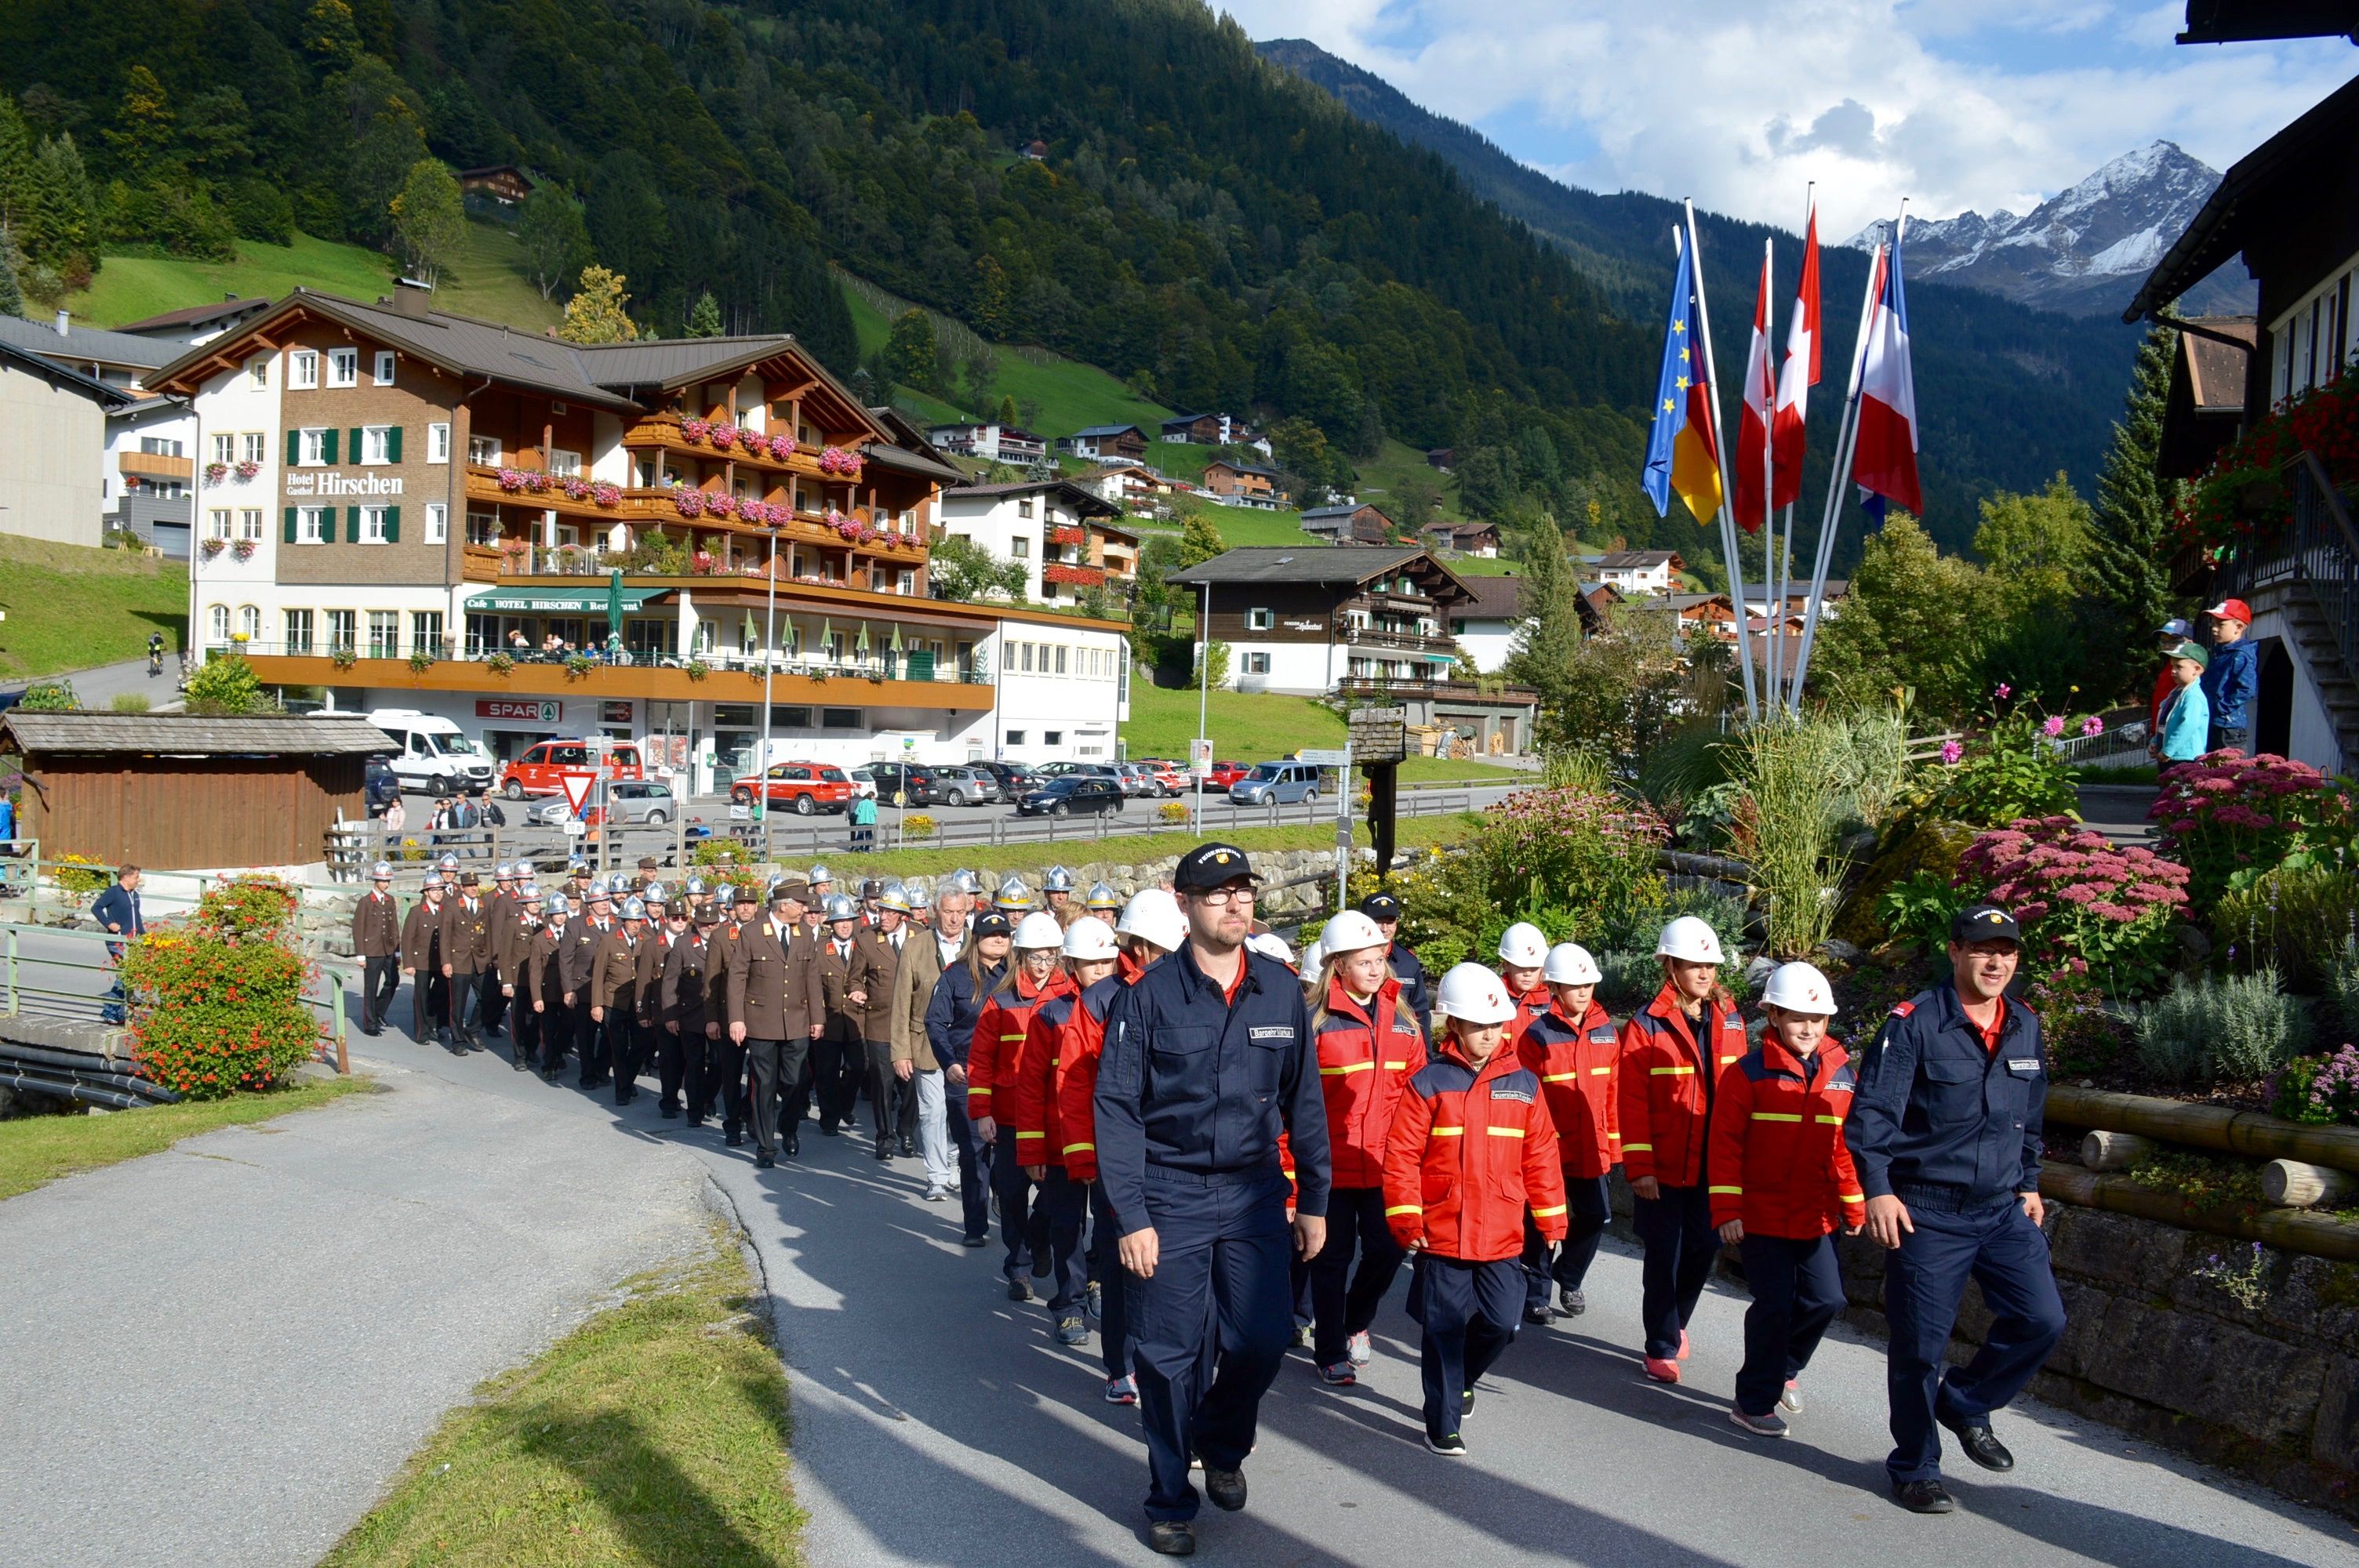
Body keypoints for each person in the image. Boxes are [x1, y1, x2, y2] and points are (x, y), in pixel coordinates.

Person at [1093, 843, 1330, 1557]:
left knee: (1262, 1340)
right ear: (1185, 904)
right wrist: (1131, 1216)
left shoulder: (1280, 990)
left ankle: (1221, 1443)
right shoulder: (1147, 997)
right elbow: (1117, 1111)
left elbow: (1305, 1101)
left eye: (1244, 891)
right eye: (1218, 893)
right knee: (1167, 1357)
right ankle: (1170, 1499)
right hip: (1170, 1193)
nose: (1236, 903)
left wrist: (1314, 1198)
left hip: (1255, 1193)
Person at [1846, 904, 2066, 1515]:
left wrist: (2029, 1181)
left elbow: (2031, 1112)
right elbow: (1872, 1112)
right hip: (1928, 1209)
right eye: (1983, 949)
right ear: (1955, 951)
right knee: (1920, 1347)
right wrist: (1878, 1189)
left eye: (2007, 952)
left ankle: (1966, 1401)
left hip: (2000, 1208)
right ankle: (1915, 1466)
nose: (1996, 962)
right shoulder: (1915, 1023)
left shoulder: (2024, 1023)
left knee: (2042, 1319)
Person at [1383, 963, 1565, 1458]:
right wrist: (1406, 1218)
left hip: (1502, 1232)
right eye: (1478, 1025)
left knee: (1503, 1322)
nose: (1489, 1034)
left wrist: (1551, 1218)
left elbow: (1541, 1156)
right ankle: (1441, 1424)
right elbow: (1401, 1156)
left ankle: (1463, 1377)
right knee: (1443, 1329)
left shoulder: (1525, 1084)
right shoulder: (1427, 1082)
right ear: (1455, 1025)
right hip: (1442, 1231)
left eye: (1496, 1025)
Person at [1708, 961, 1865, 1439]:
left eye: (1818, 1019)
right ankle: (1753, 1401)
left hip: (1815, 1216)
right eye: (1798, 1018)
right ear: (1773, 1016)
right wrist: (1727, 1210)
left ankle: (1783, 1368)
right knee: (1774, 1305)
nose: (1809, 1028)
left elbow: (1844, 1146)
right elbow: (1724, 1146)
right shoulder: (1747, 1073)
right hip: (1759, 1217)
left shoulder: (1842, 1074)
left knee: (1827, 1299)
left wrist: (1854, 1202)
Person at [1055, 889, 1188, 1405]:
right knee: (1119, 1261)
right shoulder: (1101, 1000)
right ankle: (1119, 1364)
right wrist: (1085, 1157)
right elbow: (1074, 1084)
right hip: (1119, 1157)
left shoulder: (1188, 992)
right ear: (1141, 946)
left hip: (1176, 1158)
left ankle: (1169, 1364)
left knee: (1172, 1265)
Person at [1619, 914, 1747, 1385]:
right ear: (1670, 966)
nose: (1705, 973)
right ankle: (1659, 1346)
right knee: (1663, 1255)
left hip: (1714, 1162)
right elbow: (1630, 1100)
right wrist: (1640, 1165)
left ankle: (1676, 1323)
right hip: (1664, 1164)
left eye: (1710, 965)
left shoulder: (1731, 1017)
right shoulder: (1646, 1025)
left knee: (1704, 1246)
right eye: (1694, 964)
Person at [1301, 909, 1426, 1387]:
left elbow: (1419, 1098)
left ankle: (1355, 1320)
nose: (1376, 970)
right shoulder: (1316, 1021)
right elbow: (1295, 1104)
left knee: (1390, 1248)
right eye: (1364, 962)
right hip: (1329, 1167)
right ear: (1339, 965)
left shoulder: (1405, 1020)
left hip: (1385, 1164)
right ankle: (1331, 1349)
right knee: (1330, 1260)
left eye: (1379, 960)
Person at [1011, 916, 1124, 1348]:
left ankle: (1096, 1279)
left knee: (1111, 1227)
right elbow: (1030, 1087)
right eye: (1091, 963)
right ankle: (1069, 1305)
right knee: (1067, 1228)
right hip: (1062, 1146)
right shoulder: (1051, 1014)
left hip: (1113, 1145)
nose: (1100, 971)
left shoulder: (1129, 1005)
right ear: (1072, 965)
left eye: (1106, 962)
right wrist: (1032, 1151)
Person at [972, 910, 1074, 1301]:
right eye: (1036, 957)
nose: (1044, 965)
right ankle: (1018, 1267)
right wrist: (982, 1112)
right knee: (1012, 1195)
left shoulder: (1071, 997)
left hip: (1055, 1116)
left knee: (1054, 1195)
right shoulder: (1000, 1001)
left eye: (1051, 956)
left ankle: (1039, 1237)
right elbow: (980, 1060)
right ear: (1020, 956)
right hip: (1011, 1115)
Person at [1516, 942, 1619, 1323]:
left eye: (1588, 985)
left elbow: (1613, 1094)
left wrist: (1614, 1147)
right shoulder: (1537, 1035)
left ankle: (1569, 1276)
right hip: (1550, 1150)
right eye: (1574, 986)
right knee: (1544, 1223)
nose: (1583, 992)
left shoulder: (1607, 1031)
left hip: (1592, 1145)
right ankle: (1536, 1295)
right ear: (1555, 988)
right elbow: (1527, 1098)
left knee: (1597, 1215)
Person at [925, 909, 1013, 1246]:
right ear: (976, 939)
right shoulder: (956, 975)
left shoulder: (1016, 974)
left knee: (1006, 1148)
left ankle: (1003, 1195)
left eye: (1004, 935)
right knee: (974, 1151)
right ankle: (975, 1226)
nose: (999, 940)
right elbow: (935, 1022)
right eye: (992, 935)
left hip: (1007, 1073)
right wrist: (947, 1062)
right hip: (966, 1072)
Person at [727, 880, 825, 1167]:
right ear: (784, 906)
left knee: (795, 1082)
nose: (805, 910)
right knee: (764, 1085)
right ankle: (766, 1147)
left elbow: (812, 977)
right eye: (801, 904)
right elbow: (737, 977)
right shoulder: (752, 932)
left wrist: (818, 1018)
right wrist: (736, 1019)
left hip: (796, 1021)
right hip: (761, 1022)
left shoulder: (804, 934)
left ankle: (789, 1127)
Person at [892, 880, 971, 1207]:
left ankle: (954, 1158)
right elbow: (901, 1002)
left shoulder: (976, 945)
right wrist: (900, 1051)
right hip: (925, 1044)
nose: (954, 918)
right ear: (935, 911)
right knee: (933, 1111)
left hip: (965, 1045)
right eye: (949, 912)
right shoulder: (915, 947)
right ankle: (936, 1176)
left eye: (960, 912)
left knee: (960, 1110)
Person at [853, 886, 914, 1159]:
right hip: (880, 1022)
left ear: (903, 915)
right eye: (881, 911)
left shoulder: (920, 936)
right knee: (882, 1083)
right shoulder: (867, 940)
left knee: (911, 1084)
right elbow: (854, 977)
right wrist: (856, 990)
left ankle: (907, 1130)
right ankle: (884, 1137)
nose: (883, 917)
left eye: (890, 912)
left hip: (912, 1024)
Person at [702, 885, 762, 1144]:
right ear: (733, 908)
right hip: (729, 1016)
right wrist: (712, 1018)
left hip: (759, 1016)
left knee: (760, 1074)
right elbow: (712, 982)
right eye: (740, 903)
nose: (745, 907)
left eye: (750, 903)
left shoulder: (764, 932)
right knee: (731, 1073)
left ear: (757, 906)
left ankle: (751, 1114)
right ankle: (733, 1124)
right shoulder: (721, 936)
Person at [815, 895, 872, 1142]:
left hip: (857, 1020)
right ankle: (829, 1118)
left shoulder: (864, 946)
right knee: (826, 1073)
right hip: (829, 1021)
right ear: (831, 924)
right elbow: (813, 986)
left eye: (848, 920)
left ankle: (846, 1105)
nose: (845, 925)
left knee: (857, 1068)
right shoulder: (820, 949)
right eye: (840, 921)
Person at [590, 896, 649, 1104]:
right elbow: (598, 974)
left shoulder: (646, 940)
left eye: (639, 921)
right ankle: (622, 1091)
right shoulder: (609, 941)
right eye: (632, 920)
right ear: (623, 920)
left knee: (641, 1045)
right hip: (614, 1002)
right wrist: (596, 1004)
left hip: (638, 1003)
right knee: (619, 1048)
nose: (636, 925)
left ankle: (627, 1079)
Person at [561, 880, 619, 1089]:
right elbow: (566, 960)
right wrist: (568, 990)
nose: (604, 904)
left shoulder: (617, 924)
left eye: (606, 900)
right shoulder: (576, 925)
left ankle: (602, 1068)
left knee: (610, 1034)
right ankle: (587, 1074)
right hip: (584, 989)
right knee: (585, 1036)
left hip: (609, 990)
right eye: (599, 901)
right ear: (590, 904)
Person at [661, 902, 716, 1120]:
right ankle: (694, 1111)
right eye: (704, 923)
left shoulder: (726, 941)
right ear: (696, 923)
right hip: (691, 1015)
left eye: (713, 923)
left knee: (718, 1063)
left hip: (718, 1015)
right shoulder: (683, 944)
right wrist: (670, 1015)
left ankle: (707, 1097)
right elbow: (670, 981)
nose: (708, 927)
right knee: (694, 1064)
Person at [1358, 891, 1430, 1038]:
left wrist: (1426, 1051)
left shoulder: (1408, 962)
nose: (1385, 928)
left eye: (1390, 922)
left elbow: (1420, 1012)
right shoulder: (1351, 960)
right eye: (1378, 921)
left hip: (1398, 1043)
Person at [438, 871, 496, 1054]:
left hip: (479, 960)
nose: (474, 888)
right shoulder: (452, 906)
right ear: (462, 887)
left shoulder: (482, 904)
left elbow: (488, 933)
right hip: (459, 960)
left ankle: (472, 1029)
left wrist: (490, 958)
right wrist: (446, 962)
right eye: (470, 885)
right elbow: (445, 935)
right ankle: (458, 1041)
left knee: (488, 997)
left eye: (475, 885)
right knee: (458, 1004)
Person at [521, 892, 569, 1083]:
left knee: (567, 1027)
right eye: (557, 913)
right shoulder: (540, 939)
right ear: (550, 914)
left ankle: (558, 1053)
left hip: (568, 992)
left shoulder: (572, 934)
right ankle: (549, 1065)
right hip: (549, 992)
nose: (561, 917)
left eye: (563, 913)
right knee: (548, 1031)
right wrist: (537, 998)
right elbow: (535, 971)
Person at [2200, 596, 2257, 755]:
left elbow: (2247, 689)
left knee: (2230, 768)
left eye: (2220, 624)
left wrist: (2221, 707)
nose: (2214, 629)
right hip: (2213, 721)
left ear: (2238, 627)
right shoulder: (2220, 652)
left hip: (2229, 727)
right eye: (2213, 624)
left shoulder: (2241, 655)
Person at [351, 862, 402, 1037]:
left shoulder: (389, 900)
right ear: (375, 880)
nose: (386, 884)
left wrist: (397, 951)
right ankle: (370, 1024)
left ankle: (379, 1011)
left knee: (393, 980)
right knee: (371, 987)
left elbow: (394, 927)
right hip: (372, 950)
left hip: (388, 949)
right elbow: (358, 929)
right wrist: (361, 955)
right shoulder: (366, 902)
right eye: (383, 881)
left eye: (388, 881)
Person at [92, 866, 146, 1025]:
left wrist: (144, 938)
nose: (138, 880)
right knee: (126, 974)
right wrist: (109, 924)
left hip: (133, 942)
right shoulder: (113, 892)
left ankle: (119, 1009)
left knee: (128, 974)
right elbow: (96, 908)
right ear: (126, 877)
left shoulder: (134, 895)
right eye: (136, 877)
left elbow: (136, 918)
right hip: (118, 941)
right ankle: (110, 1011)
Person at [402, 873, 449, 1044]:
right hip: (421, 961)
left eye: (441, 890)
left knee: (440, 994)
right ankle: (422, 1032)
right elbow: (407, 938)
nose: (438, 893)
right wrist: (408, 963)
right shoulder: (417, 912)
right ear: (426, 892)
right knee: (421, 996)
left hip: (440, 961)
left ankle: (434, 1025)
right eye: (434, 890)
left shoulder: (446, 911)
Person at [2154, 641, 2211, 764]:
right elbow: (2164, 722)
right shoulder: (2175, 693)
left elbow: (2188, 725)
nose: (2173, 671)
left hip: (2185, 757)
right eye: (2172, 666)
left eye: (2179, 667)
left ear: (2196, 670)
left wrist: (2168, 751)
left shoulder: (2193, 696)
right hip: (2169, 754)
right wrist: (2155, 742)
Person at [1494, 921, 1549, 1036]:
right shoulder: (1493, 997)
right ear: (1506, 965)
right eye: (1521, 967)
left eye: (1534, 968)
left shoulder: (1552, 1002)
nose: (1528, 973)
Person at [2145, 617, 2194, 733]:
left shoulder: (2189, 670)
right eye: (2163, 641)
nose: (2167, 646)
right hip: (2161, 730)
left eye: (2174, 642)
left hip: (2174, 732)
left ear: (2189, 643)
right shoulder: (2169, 665)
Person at [849, 784, 879, 853]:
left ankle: (858, 848)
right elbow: (876, 813)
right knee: (868, 835)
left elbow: (856, 812)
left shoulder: (860, 803)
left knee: (860, 835)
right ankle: (867, 850)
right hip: (869, 822)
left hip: (861, 821)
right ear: (870, 798)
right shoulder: (872, 804)